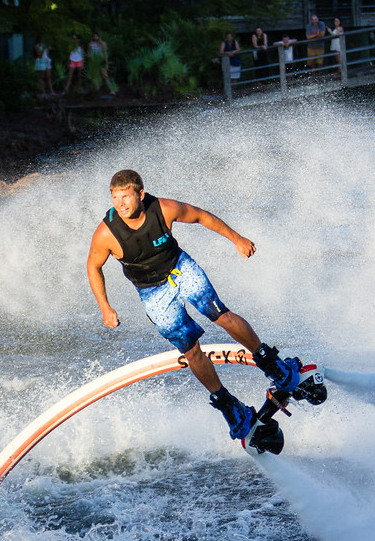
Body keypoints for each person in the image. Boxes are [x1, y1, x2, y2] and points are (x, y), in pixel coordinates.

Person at [87, 169, 324, 440]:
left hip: (180, 269)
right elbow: (93, 266)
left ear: (140, 194)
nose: (120, 205)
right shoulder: (107, 233)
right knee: (191, 350)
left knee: (219, 315)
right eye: (115, 198)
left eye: (126, 197)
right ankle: (230, 408)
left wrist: (237, 239)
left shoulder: (163, 209)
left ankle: (273, 366)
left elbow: (200, 216)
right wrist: (105, 307)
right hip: (153, 293)